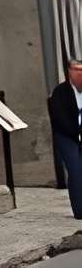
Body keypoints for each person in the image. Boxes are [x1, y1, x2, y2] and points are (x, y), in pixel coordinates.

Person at [49, 59, 82, 220]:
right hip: (67, 136)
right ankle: (80, 210)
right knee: (76, 169)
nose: (80, 73)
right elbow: (60, 118)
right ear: (69, 71)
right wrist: (76, 133)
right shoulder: (60, 92)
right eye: (76, 69)